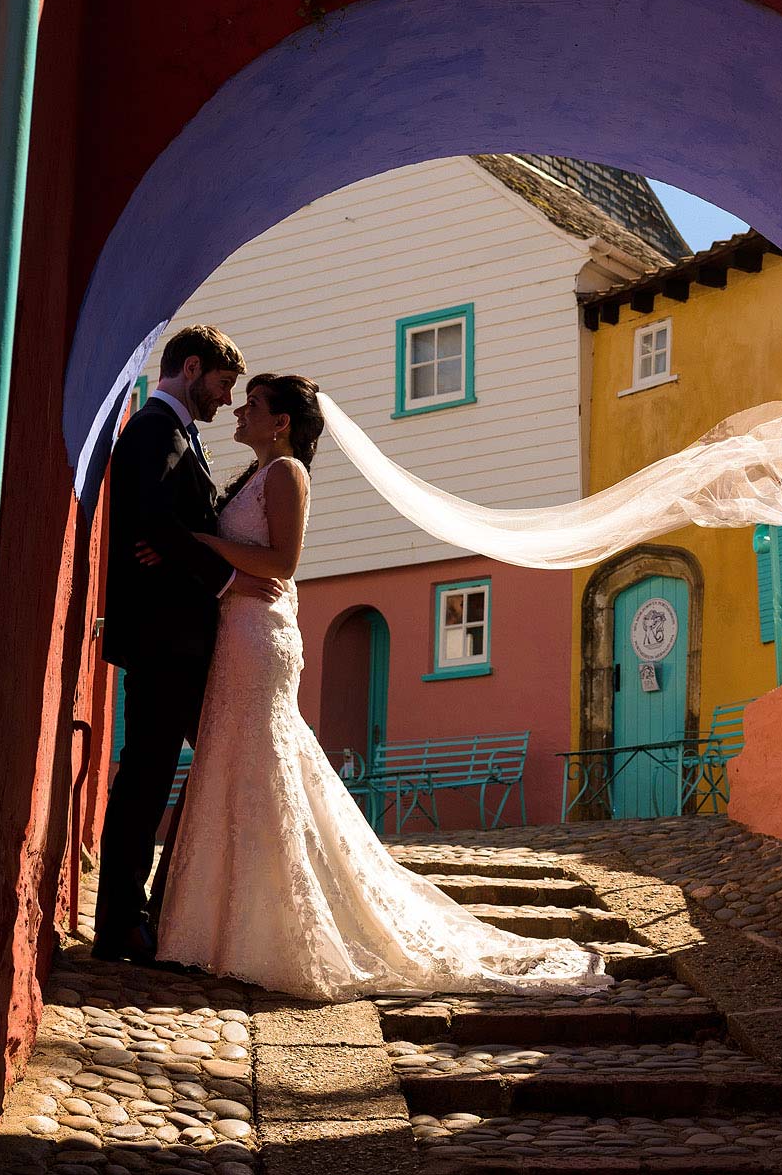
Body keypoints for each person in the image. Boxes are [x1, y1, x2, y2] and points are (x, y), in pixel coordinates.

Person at [151, 373, 609, 999]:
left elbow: (282, 564)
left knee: (257, 766)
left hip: (259, 636)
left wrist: (200, 543)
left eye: (253, 405)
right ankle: (222, 926)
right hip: (239, 631)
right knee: (239, 766)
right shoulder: (256, 476)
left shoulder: (287, 475)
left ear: (281, 422)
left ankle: (266, 928)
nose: (240, 411)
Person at [94, 325, 284, 965]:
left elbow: (174, 529)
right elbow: (154, 520)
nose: (227, 398)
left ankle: (157, 909)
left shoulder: (178, 434)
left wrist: (177, 546)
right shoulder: (156, 430)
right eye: (224, 384)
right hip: (163, 635)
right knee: (148, 775)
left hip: (177, 634)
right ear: (193, 367)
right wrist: (223, 574)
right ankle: (125, 918)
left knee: (180, 773)